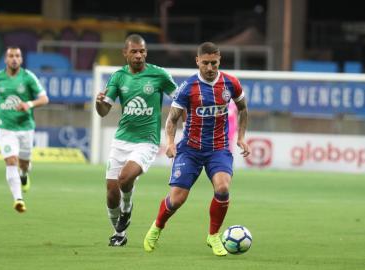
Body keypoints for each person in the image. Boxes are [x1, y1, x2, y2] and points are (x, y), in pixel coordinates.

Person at [143, 42, 250, 256]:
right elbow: (172, 119)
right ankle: (157, 227)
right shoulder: (187, 88)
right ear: (197, 61)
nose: (210, 68)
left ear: (219, 61)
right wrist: (171, 143)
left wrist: (241, 137)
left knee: (222, 188)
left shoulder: (231, 83)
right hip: (190, 150)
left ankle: (213, 236)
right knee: (177, 199)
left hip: (218, 148)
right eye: (206, 63)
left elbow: (243, 109)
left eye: (214, 63)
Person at [95, 34, 178, 247]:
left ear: (146, 53)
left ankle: (127, 208)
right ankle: (119, 234)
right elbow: (104, 111)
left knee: (125, 178)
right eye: (134, 51)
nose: (139, 55)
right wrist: (98, 103)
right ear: (125, 53)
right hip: (121, 140)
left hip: (147, 141)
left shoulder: (159, 75)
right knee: (111, 192)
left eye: (142, 51)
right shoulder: (118, 77)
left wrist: (179, 130)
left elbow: (179, 99)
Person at [0, 46, 49, 213]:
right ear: (6, 59)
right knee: (11, 161)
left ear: (21, 60)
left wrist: (28, 104)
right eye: (11, 56)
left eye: (17, 56)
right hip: (5, 128)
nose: (14, 59)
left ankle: (24, 174)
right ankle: (18, 199)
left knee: (24, 163)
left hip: (26, 127)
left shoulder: (28, 78)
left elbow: (44, 98)